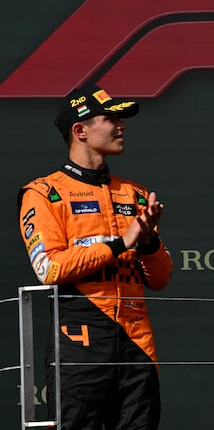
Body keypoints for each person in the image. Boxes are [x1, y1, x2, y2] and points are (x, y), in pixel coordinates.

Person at [17, 84, 172, 429]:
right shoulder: (43, 193)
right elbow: (50, 267)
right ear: (80, 130)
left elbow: (160, 278)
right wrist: (121, 242)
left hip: (138, 345)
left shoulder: (136, 194)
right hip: (79, 345)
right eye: (110, 118)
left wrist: (146, 243)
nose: (121, 125)